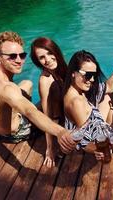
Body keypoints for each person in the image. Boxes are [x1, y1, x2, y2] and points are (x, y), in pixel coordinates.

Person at [0, 31, 75, 153]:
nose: (19, 61)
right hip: (14, 134)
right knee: (47, 105)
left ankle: (21, 111)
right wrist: (60, 132)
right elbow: (30, 112)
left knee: (27, 83)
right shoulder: (7, 88)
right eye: (12, 56)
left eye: (22, 55)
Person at [63, 50, 113, 160]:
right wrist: (100, 150)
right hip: (97, 143)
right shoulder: (76, 102)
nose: (92, 79)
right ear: (73, 73)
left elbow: (109, 86)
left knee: (108, 96)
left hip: (96, 127)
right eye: (88, 75)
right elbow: (84, 139)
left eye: (94, 75)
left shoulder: (78, 90)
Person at [30, 37, 67, 168]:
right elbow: (47, 116)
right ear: (38, 61)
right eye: (41, 57)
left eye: (50, 53)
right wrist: (50, 149)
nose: (47, 60)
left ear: (55, 51)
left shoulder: (64, 68)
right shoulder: (45, 80)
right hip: (54, 121)